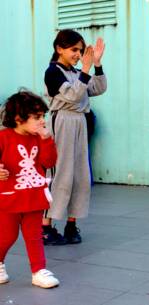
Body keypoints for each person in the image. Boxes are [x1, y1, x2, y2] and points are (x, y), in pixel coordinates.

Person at [42, 29, 107, 245]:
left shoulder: (77, 72)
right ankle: (46, 227)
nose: (78, 54)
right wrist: (86, 69)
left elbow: (98, 88)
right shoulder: (53, 72)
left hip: (80, 121)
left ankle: (71, 224)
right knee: (61, 172)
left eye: (80, 50)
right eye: (74, 50)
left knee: (80, 174)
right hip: (62, 122)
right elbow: (72, 95)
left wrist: (96, 64)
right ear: (59, 49)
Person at [0, 90, 59, 288]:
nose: (42, 121)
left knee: (34, 235)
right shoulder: (3, 137)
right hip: (8, 200)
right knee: (7, 235)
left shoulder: (39, 138)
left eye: (43, 116)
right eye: (37, 117)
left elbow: (49, 161)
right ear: (18, 119)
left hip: (33, 196)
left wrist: (46, 140)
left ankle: (38, 270)